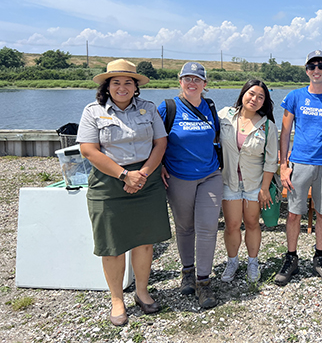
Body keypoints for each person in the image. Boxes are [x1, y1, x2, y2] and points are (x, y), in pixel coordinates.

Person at [77, 59, 171, 327]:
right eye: (116, 82)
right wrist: (123, 175)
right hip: (109, 182)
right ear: (107, 86)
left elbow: (160, 142)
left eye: (128, 82)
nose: (122, 87)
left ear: (136, 86)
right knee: (113, 244)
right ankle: (117, 299)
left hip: (146, 178)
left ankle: (142, 292)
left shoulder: (148, 109)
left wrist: (141, 174)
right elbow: (88, 150)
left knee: (144, 241)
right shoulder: (92, 111)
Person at [275, 50, 322, 287]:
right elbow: (285, 133)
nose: (316, 70)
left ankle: (320, 258)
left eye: (321, 66)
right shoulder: (295, 97)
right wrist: (283, 165)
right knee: (294, 213)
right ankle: (291, 258)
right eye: (311, 66)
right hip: (299, 163)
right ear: (306, 71)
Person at [157, 62, 223, 309]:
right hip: (178, 176)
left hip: (210, 175)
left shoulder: (211, 106)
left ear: (205, 84)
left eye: (197, 79)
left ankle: (204, 282)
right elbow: (156, 139)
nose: (192, 83)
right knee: (185, 227)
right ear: (180, 82)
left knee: (207, 228)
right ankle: (187, 271)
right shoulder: (168, 107)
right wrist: (160, 164)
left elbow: (217, 137)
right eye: (187, 78)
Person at [218, 79, 279, 283]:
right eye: (251, 93)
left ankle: (253, 261)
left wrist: (264, 189)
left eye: (260, 97)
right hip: (229, 182)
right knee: (232, 225)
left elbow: (271, 160)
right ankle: (232, 261)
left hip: (254, 184)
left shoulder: (268, 126)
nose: (254, 99)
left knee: (252, 223)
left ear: (265, 102)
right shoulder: (225, 116)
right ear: (243, 93)